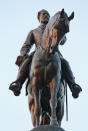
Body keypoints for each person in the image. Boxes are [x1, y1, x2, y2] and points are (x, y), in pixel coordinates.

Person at [9, 9, 82, 98]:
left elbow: (62, 41)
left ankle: (73, 86)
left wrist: (61, 32)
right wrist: (23, 54)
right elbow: (26, 45)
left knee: (65, 63)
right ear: (39, 17)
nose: (46, 15)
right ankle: (18, 83)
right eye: (43, 14)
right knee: (27, 61)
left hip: (54, 53)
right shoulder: (34, 32)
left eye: (47, 14)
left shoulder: (54, 27)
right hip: (37, 54)